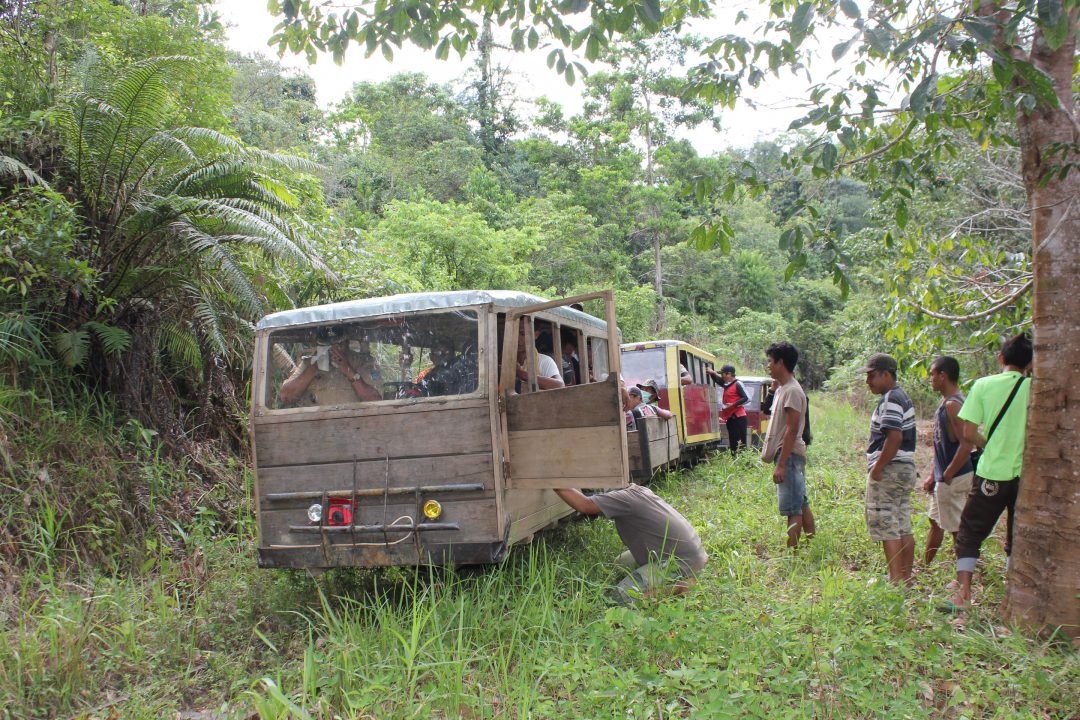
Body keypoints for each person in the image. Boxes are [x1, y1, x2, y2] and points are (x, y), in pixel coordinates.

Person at [947, 333, 1032, 611]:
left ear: (1000, 358)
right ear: (1029, 364)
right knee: (1017, 537)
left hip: (992, 472)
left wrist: (989, 444)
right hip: (1028, 477)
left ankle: (962, 596)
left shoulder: (983, 385)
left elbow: (969, 433)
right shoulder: (1036, 388)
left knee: (970, 531)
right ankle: (1013, 599)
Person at [554, 484, 707, 604]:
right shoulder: (636, 491)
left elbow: (584, 505)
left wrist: (550, 480)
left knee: (623, 596)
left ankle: (679, 587)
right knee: (619, 563)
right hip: (688, 552)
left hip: (681, 560)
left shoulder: (623, 498)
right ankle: (660, 576)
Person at [859, 352, 917, 584]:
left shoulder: (891, 398)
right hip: (904, 468)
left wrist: (878, 468)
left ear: (886, 374)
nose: (868, 382)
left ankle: (895, 582)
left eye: (872, 376)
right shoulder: (901, 396)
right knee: (902, 523)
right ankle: (904, 578)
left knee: (887, 524)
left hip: (890, 469)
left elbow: (894, 437)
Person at [760, 342, 815, 548]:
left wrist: (781, 464)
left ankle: (792, 554)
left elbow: (792, 430)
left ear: (780, 362)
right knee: (801, 501)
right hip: (789, 454)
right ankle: (811, 543)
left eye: (770, 361)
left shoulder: (792, 390)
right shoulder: (784, 388)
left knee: (793, 508)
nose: (768, 365)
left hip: (789, 454)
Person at [921, 356, 975, 564]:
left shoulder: (954, 405)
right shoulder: (945, 404)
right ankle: (924, 566)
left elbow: (966, 443)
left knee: (956, 529)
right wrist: (932, 476)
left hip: (955, 476)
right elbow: (941, 444)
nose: (931, 379)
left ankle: (964, 576)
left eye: (933, 374)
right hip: (944, 475)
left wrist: (948, 474)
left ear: (943, 376)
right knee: (935, 520)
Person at [279, 327, 381, 406]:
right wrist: (314, 368)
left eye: (338, 344)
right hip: (314, 426)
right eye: (326, 345)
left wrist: (348, 370)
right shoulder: (310, 363)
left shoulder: (363, 362)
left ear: (347, 342)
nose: (332, 349)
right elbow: (286, 397)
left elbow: (375, 401)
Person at [708, 364, 749, 455]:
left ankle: (742, 462)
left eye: (723, 374)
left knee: (740, 443)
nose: (722, 377)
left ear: (729, 374)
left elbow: (746, 398)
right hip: (731, 418)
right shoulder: (727, 384)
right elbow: (719, 381)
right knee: (733, 442)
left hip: (738, 418)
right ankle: (735, 460)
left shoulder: (738, 384)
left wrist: (733, 405)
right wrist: (712, 374)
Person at [516, 319, 564, 391]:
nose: (517, 338)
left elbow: (559, 385)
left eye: (522, 334)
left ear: (536, 335)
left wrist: (520, 373)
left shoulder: (545, 361)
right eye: (514, 333)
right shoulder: (504, 360)